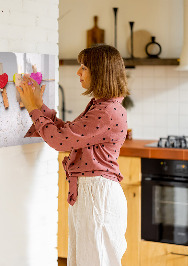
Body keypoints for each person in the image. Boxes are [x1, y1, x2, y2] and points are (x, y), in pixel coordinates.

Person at [17, 44, 129, 266]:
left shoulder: (106, 111)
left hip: (97, 195)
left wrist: (33, 108)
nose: (78, 72)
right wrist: (40, 106)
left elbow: (60, 141)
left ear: (100, 72)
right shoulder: (102, 106)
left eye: (84, 67)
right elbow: (68, 133)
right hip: (92, 193)